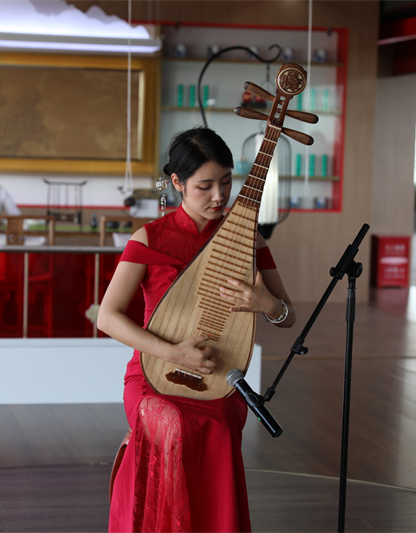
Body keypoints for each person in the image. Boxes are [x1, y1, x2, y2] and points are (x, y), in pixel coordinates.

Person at [97, 127, 295, 533]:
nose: (220, 196)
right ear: (177, 183)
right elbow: (108, 316)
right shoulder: (150, 238)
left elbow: (288, 315)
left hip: (219, 376)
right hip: (153, 374)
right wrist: (173, 353)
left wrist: (267, 306)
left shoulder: (248, 240)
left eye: (226, 182)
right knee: (169, 420)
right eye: (205, 186)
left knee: (220, 422)